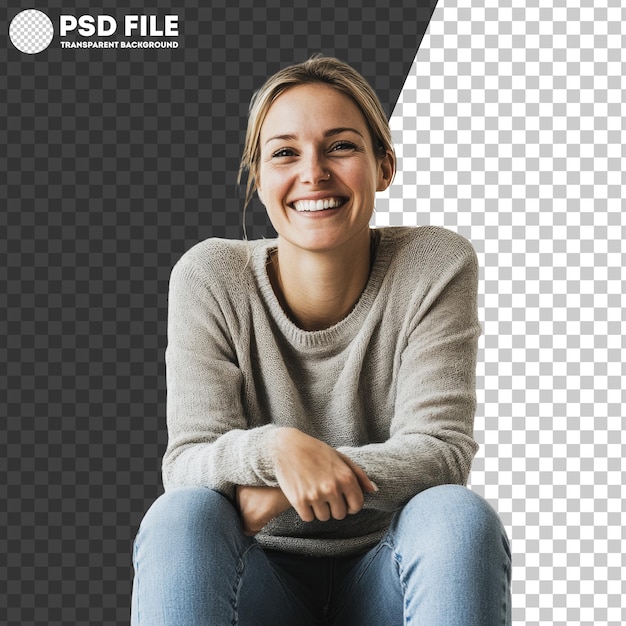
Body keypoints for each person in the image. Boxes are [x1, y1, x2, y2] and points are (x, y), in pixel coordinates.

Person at [131, 55, 511, 625]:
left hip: (389, 577)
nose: (313, 173)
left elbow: (441, 452)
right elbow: (186, 463)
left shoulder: (435, 263)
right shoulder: (209, 276)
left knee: (457, 516)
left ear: (384, 166)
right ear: (258, 178)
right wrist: (277, 450)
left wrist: (284, 491)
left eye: (341, 147)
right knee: (179, 519)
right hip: (255, 576)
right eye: (285, 152)